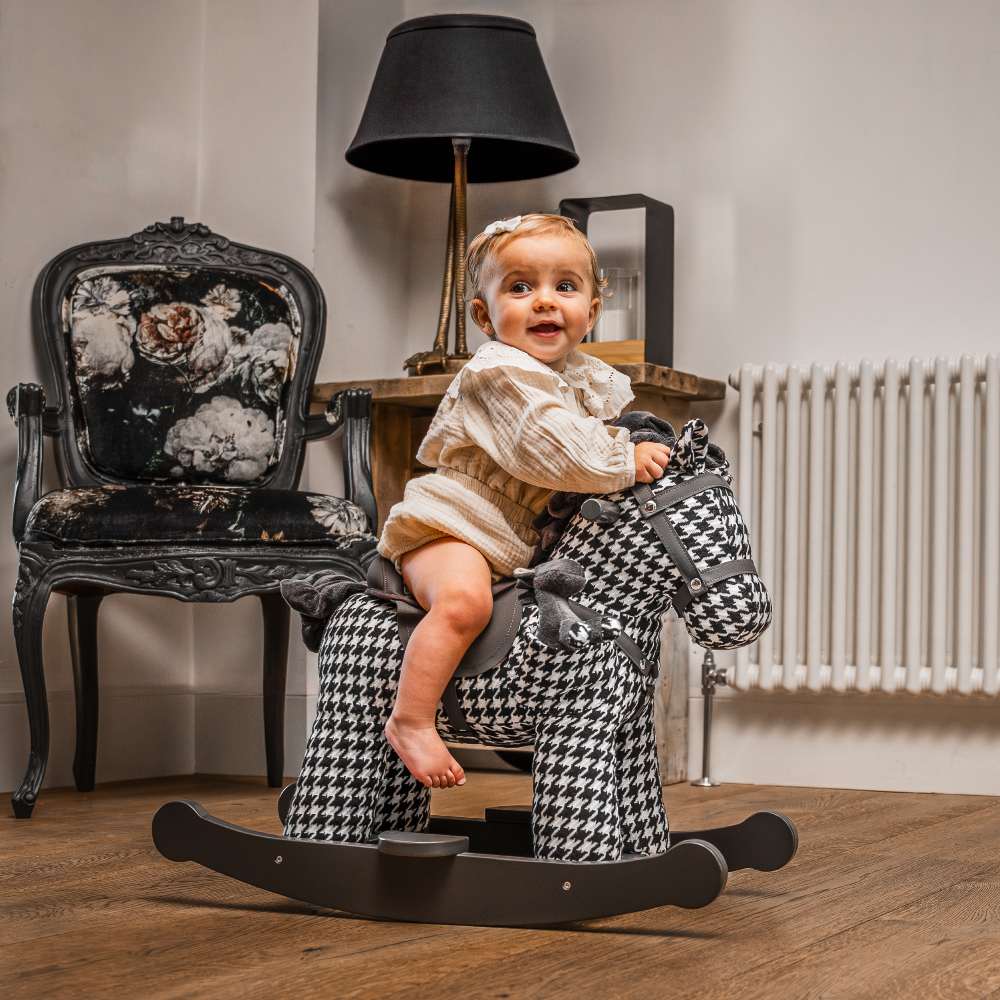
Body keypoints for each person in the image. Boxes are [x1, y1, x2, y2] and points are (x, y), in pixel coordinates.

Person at [377, 213, 673, 789]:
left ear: (590, 312)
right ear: (485, 315)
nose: (544, 302)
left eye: (565, 287)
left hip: (514, 542)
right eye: (520, 287)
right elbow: (548, 445)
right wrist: (622, 457)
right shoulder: (499, 373)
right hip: (452, 524)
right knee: (465, 605)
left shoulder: (584, 380)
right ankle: (410, 720)